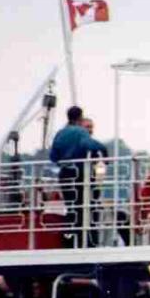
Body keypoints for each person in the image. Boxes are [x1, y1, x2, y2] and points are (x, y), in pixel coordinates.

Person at [49, 106, 107, 247]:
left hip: (64, 175)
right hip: (79, 174)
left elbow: (53, 156)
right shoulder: (80, 132)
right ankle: (86, 242)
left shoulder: (60, 133)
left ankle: (67, 242)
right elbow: (90, 145)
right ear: (80, 117)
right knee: (85, 207)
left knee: (71, 208)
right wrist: (105, 155)